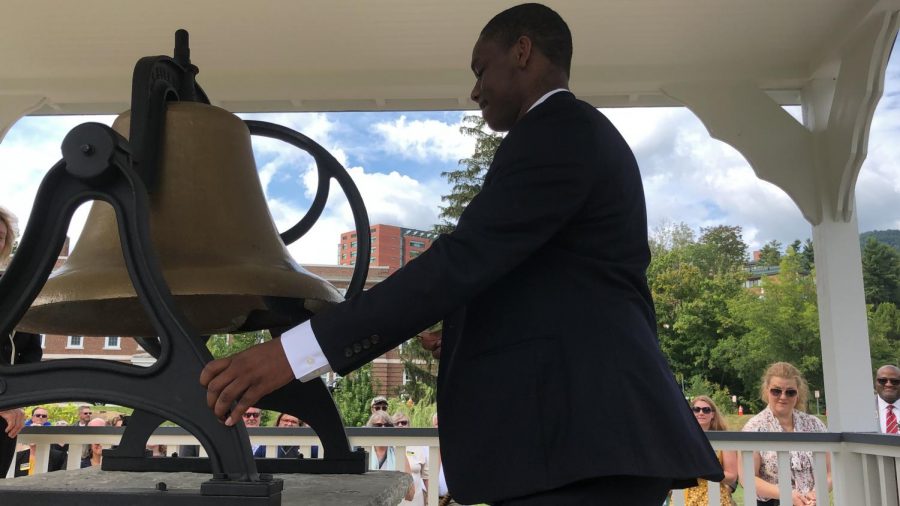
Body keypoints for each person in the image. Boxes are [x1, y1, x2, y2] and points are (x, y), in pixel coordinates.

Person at [200, 3, 722, 503]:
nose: (474, 90)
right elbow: (539, 280)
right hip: (582, 446)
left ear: (522, 51)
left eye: (481, 69)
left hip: (585, 444)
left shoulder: (558, 130)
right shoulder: (568, 134)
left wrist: (294, 353)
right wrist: (469, 330)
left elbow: (462, 260)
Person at [742, 362, 832, 505]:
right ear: (766, 391)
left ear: (798, 393)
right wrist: (786, 495)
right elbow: (746, 478)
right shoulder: (754, 427)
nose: (783, 396)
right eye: (776, 391)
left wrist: (816, 493)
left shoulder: (814, 425)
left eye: (790, 392)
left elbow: (830, 471)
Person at [0, 206, 41, 479]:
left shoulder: (12, 288)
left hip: (6, 417)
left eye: (1, 236)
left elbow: (29, 350)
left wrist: (16, 398)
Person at [679, 396, 738, 506]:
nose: (701, 413)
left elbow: (732, 476)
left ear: (713, 414)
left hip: (714, 498)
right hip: (684, 497)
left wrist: (705, 470)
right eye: (696, 409)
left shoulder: (724, 440)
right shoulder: (681, 438)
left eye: (706, 410)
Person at [366, 411, 416, 502]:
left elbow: (411, 494)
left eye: (387, 425)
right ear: (370, 428)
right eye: (378, 425)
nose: (383, 428)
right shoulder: (364, 452)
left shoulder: (399, 454)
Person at [393, 412, 426, 506]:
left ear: (409, 425)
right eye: (397, 423)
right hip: (396, 500)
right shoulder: (388, 447)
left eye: (404, 423)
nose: (400, 425)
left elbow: (426, 477)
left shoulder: (418, 446)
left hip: (417, 499)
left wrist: (430, 499)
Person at [875, 364, 900, 434]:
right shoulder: (862, 409)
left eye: (895, 381)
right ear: (875, 382)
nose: (888, 384)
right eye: (882, 380)